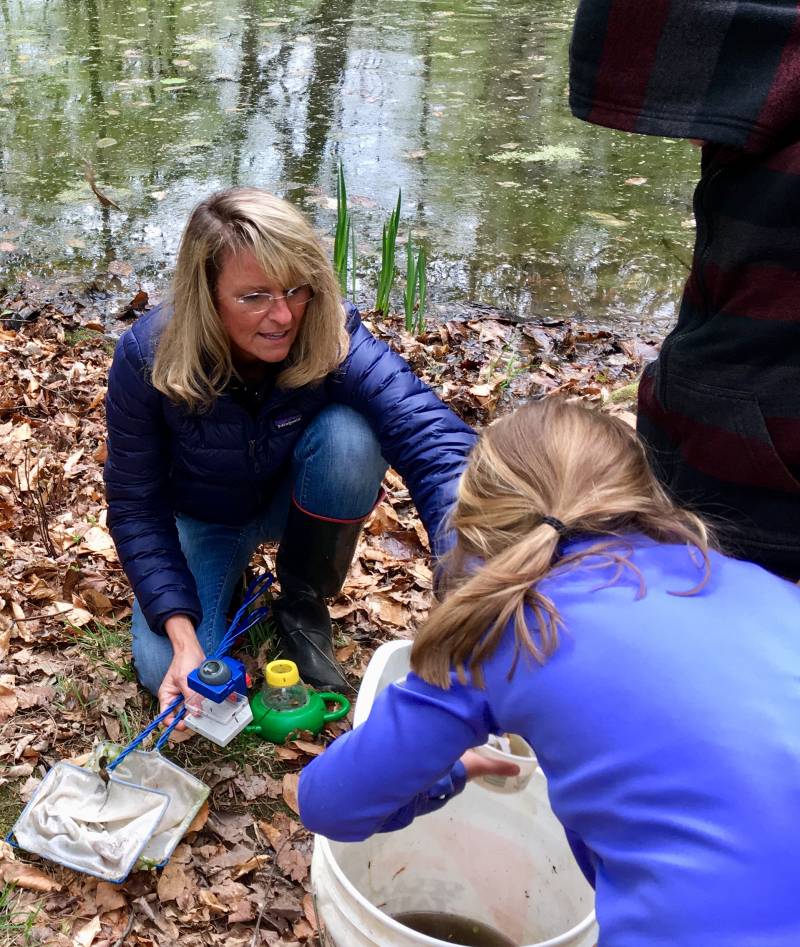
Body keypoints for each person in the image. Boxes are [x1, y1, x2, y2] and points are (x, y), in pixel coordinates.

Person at [298, 398, 800, 947]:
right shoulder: (754, 581)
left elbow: (328, 804)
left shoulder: (507, 623)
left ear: (476, 516)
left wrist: (449, 771)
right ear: (643, 494)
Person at [104, 187, 476, 714]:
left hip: (293, 499)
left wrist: (474, 570)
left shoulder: (329, 333)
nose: (282, 317)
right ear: (205, 296)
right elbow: (134, 504)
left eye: (296, 289)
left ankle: (302, 600)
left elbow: (433, 439)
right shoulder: (146, 356)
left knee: (352, 436)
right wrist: (184, 636)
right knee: (160, 663)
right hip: (201, 517)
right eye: (253, 297)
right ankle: (218, 582)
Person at [569, 1, 800, 579]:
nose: (681, 137)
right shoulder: (759, 140)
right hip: (712, 475)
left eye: (676, 112)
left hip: (762, 508)